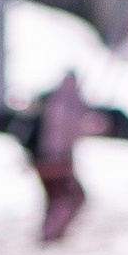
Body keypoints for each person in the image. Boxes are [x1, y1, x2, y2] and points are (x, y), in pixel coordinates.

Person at [32, 68, 102, 243]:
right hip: (58, 159)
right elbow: (71, 130)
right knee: (71, 196)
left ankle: (51, 231)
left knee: (58, 197)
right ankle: (52, 232)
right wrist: (97, 124)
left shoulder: (55, 101)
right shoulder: (68, 105)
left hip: (46, 159)